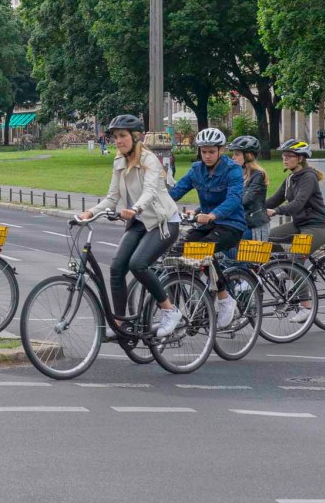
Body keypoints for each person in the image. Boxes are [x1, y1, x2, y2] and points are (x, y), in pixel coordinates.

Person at [78, 115, 183, 338]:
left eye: (123, 136)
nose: (118, 141)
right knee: (116, 268)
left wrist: (135, 209)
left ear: (136, 137)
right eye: (116, 137)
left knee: (138, 264)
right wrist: (90, 212)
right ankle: (120, 324)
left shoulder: (150, 160)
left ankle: (169, 310)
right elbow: (112, 197)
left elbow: (150, 191)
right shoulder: (119, 162)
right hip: (139, 223)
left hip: (163, 222)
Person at [168, 127, 247, 329]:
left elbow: (234, 198)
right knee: (176, 253)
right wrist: (155, 204)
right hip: (206, 224)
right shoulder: (197, 169)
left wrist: (212, 214)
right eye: (204, 152)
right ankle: (175, 308)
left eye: (212, 151)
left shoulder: (233, 169)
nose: (207, 156)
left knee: (202, 250)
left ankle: (225, 298)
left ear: (221, 150)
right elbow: (177, 191)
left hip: (231, 225)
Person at [266, 138, 325, 323]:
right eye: (283, 156)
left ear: (300, 158)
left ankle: (306, 306)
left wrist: (277, 211)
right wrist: (250, 208)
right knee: (270, 237)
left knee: (295, 259)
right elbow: (273, 200)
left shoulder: (308, 177)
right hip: (300, 224)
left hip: (317, 226)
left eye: (289, 156)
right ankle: (285, 268)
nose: (285, 159)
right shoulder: (290, 178)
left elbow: (298, 203)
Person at [227, 135, 270, 241]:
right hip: (239, 222)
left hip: (253, 225)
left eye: (237, 154)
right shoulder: (237, 174)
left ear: (248, 156)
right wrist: (199, 210)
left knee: (226, 243)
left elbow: (247, 199)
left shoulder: (258, 175)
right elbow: (221, 195)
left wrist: (222, 209)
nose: (233, 157)